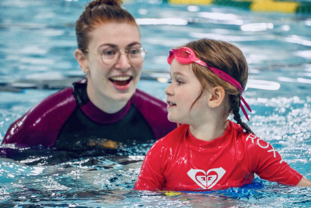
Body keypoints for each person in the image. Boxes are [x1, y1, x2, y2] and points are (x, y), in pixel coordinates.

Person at [134, 39, 311, 191]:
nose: (168, 90)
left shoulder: (251, 149)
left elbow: (303, 189)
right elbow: (141, 201)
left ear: (214, 96)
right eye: (170, 80)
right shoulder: (162, 152)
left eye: (179, 82)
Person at [1, 0, 176, 154]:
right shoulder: (41, 126)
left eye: (133, 51)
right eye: (109, 52)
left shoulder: (166, 124)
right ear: (83, 60)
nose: (124, 64)